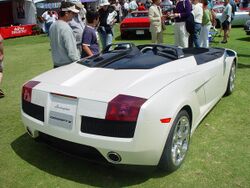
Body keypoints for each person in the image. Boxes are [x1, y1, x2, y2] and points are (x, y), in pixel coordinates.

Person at [49, 2, 80, 68]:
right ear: (66, 13)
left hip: (56, 64)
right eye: (73, 13)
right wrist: (78, 62)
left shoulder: (52, 25)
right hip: (67, 65)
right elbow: (72, 51)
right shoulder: (66, 28)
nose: (74, 15)